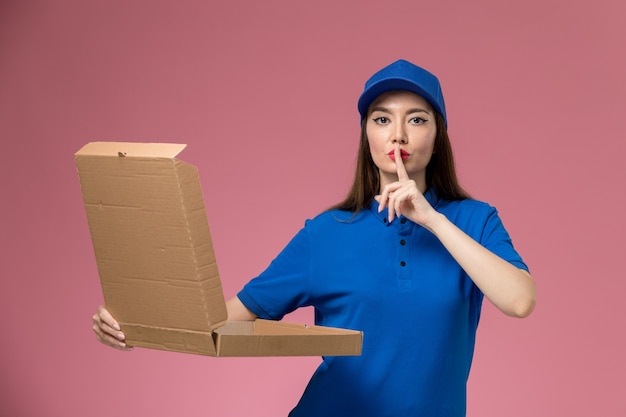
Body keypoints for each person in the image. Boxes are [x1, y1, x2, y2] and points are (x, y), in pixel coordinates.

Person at [93, 59, 536, 416]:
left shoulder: (473, 221)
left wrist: (432, 219)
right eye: (382, 119)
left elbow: (519, 300)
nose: (398, 134)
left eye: (416, 120)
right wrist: (135, 326)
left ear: (437, 137)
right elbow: (224, 323)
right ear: (367, 136)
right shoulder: (325, 234)